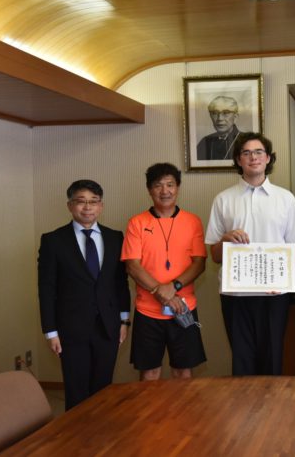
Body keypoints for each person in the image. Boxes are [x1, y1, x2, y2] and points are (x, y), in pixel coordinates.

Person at [205, 132, 295, 375]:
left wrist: (281, 280)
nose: (253, 157)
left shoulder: (285, 198)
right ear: (239, 160)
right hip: (235, 295)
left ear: (268, 158)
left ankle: (273, 402)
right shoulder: (223, 200)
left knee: (272, 359)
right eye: (246, 153)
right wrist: (225, 239)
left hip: (274, 295)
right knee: (242, 360)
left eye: (259, 152)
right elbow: (214, 255)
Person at [38, 179, 131, 410]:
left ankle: (101, 430)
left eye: (93, 201)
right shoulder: (53, 241)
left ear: (101, 206)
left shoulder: (115, 238)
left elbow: (120, 283)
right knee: (76, 389)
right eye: (81, 201)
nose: (87, 207)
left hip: (108, 326)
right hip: (71, 328)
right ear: (70, 205)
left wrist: (124, 320)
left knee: (103, 389)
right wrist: (51, 332)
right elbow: (46, 289)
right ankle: (76, 432)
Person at [121, 163, 207, 380]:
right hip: (147, 311)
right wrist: (162, 292)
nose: (165, 190)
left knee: (183, 370)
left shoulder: (193, 221)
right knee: (149, 371)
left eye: (170, 184)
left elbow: (199, 263)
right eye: (158, 185)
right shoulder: (137, 222)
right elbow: (132, 265)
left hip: (184, 308)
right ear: (149, 190)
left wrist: (174, 287)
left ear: (178, 187)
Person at [197, 96, 242, 160]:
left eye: (225, 113)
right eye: (215, 113)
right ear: (210, 116)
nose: (220, 118)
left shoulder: (245, 141)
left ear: (235, 117)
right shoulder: (204, 142)